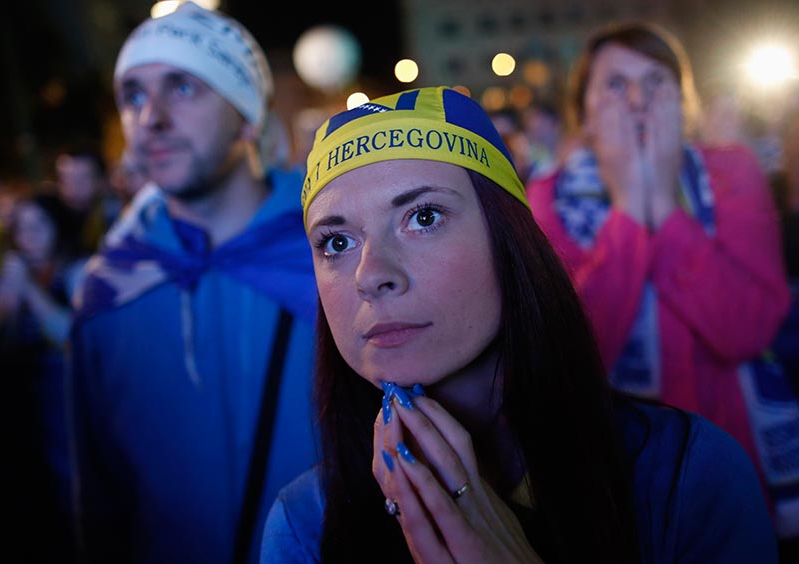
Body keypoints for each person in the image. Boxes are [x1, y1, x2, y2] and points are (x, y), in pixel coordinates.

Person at [260, 86, 777, 563]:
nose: (371, 275)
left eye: (422, 217)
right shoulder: (304, 524)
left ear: (511, 241)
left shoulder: (690, 476)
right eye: (336, 242)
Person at [66, 3, 319, 563]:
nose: (149, 117)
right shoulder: (111, 289)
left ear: (248, 117)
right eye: (132, 95)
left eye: (182, 88)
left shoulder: (337, 259)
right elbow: (99, 495)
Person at [524, 20, 794, 542]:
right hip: (619, 461)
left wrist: (664, 207)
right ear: (584, 112)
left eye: (654, 83)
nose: (636, 101)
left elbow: (747, 329)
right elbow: (580, 347)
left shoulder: (730, 171)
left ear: (683, 103)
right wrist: (629, 206)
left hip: (732, 452)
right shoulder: (550, 197)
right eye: (615, 85)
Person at [0, 190, 88, 562]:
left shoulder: (79, 271)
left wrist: (30, 292)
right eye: (22, 229)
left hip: (69, 413)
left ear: (59, 228)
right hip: (29, 415)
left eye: (39, 227)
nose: (29, 238)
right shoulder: (14, 277)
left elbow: (74, 337)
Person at [54, 143, 116, 254]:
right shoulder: (51, 218)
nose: (72, 187)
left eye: (82, 179)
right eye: (66, 179)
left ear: (102, 182)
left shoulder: (115, 218)